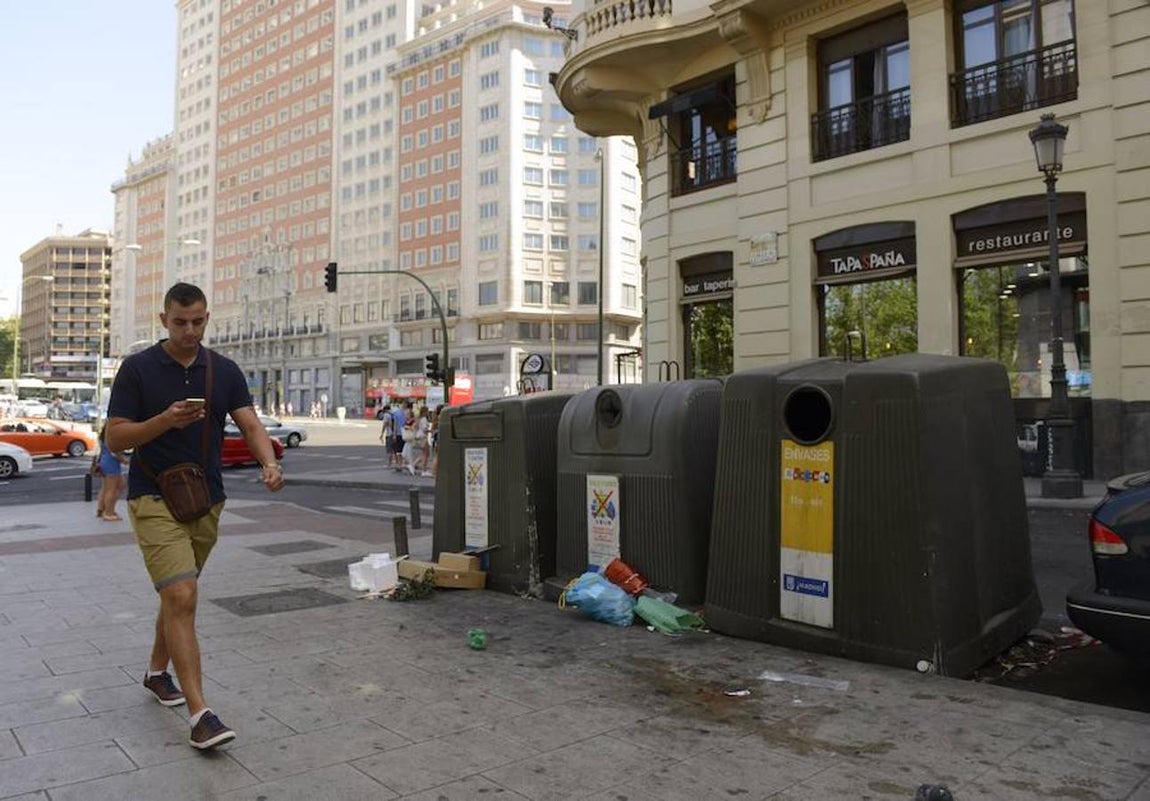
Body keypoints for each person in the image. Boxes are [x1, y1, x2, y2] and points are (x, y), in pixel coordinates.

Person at [105, 282, 285, 751]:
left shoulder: (223, 371)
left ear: (207, 318)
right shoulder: (138, 369)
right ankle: (200, 713)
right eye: (181, 322)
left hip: (206, 499)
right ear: (163, 319)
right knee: (183, 594)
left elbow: (249, 422)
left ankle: (155, 672)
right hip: (153, 496)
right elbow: (116, 439)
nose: (190, 330)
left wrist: (269, 461)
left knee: (175, 595)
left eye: (199, 321)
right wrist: (165, 420)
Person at [95, 425, 130, 521]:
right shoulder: (112, 437)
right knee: (112, 489)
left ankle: (101, 509)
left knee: (110, 486)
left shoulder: (103, 436)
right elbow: (115, 452)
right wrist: (124, 460)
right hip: (111, 463)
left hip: (105, 461)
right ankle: (109, 513)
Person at [390, 402, 408, 472]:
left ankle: (398, 464)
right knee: (402, 449)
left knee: (397, 450)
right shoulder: (406, 414)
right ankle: (401, 464)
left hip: (398, 433)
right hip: (404, 433)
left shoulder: (396, 413)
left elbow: (395, 425)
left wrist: (394, 434)